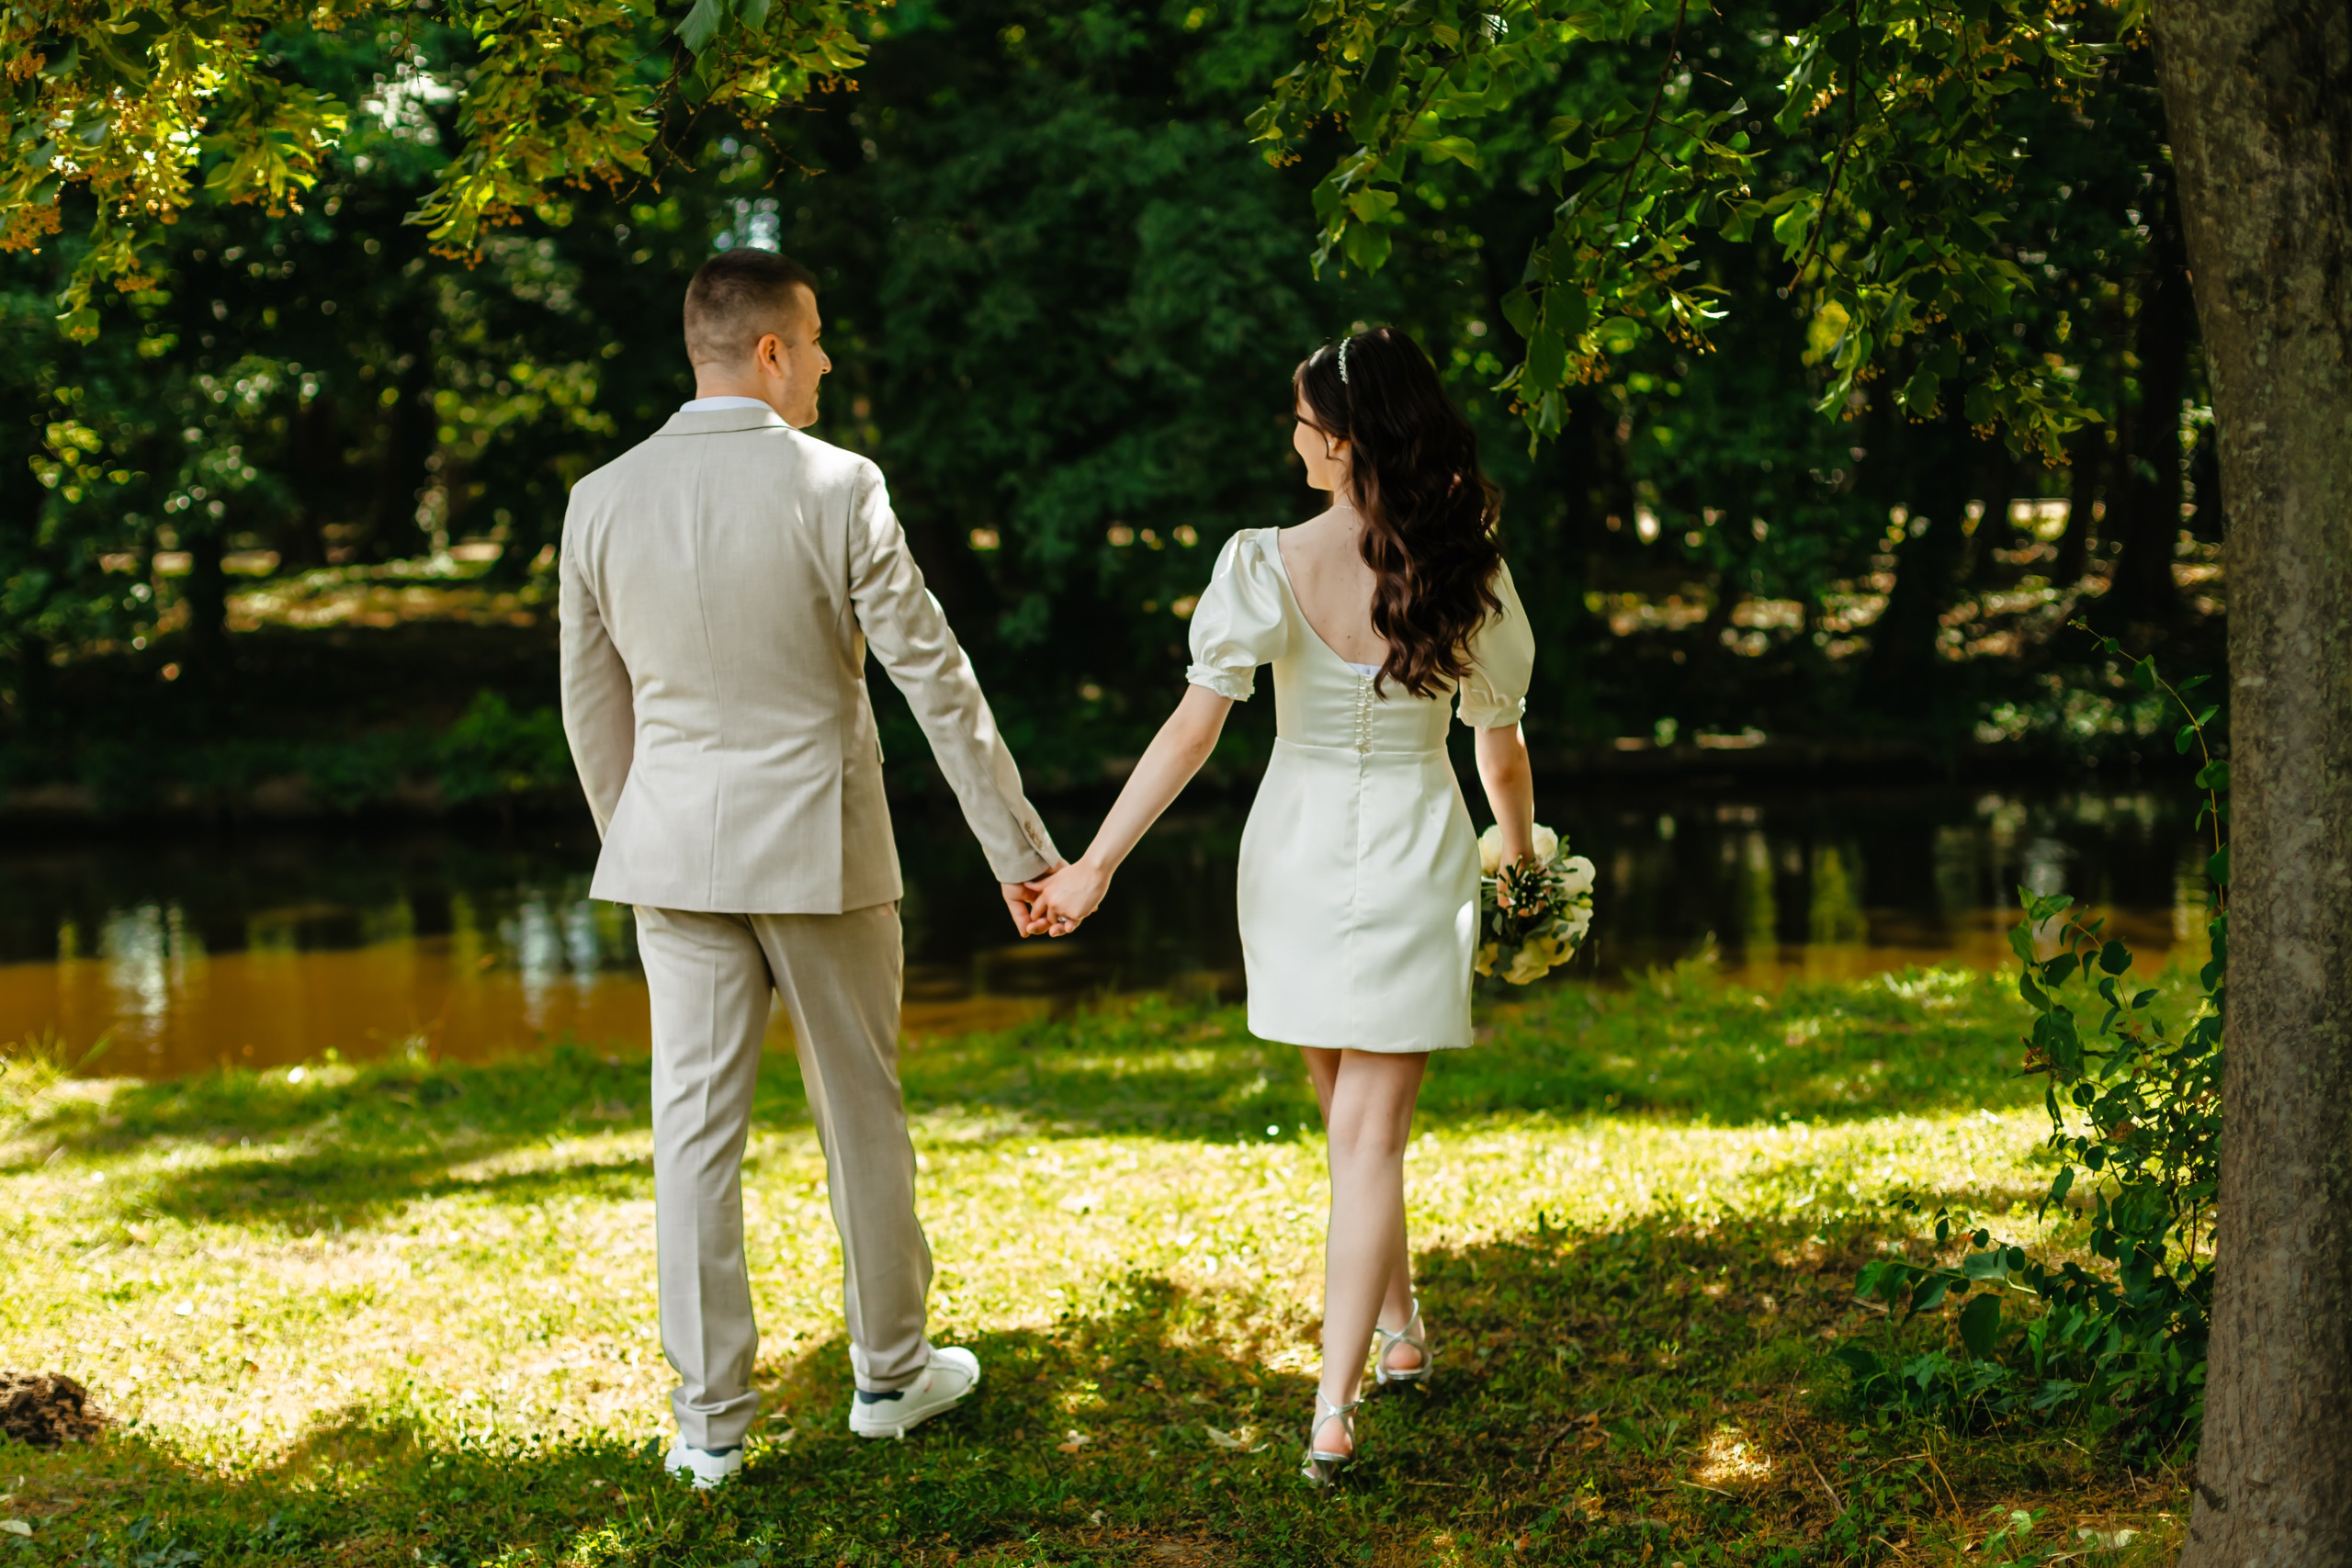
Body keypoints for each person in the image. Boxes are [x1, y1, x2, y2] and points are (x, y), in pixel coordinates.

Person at [558, 247, 1062, 1489]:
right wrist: (1020, 849)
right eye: (819, 338)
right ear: (770, 349)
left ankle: (708, 1424)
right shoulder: (839, 484)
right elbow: (933, 675)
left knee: (692, 1132)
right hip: (821, 850)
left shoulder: (600, 496)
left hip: (670, 851)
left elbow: (591, 703)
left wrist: (644, 830)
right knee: (860, 1115)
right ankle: (891, 1371)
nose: (830, 358)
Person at [1029, 325, 1537, 1484]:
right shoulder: (1470, 568)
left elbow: (1194, 727)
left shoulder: (1263, 561)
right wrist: (1516, 859)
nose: (1292, 437)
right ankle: (1336, 1402)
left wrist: (1096, 864)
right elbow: (1496, 751)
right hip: (1412, 849)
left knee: (1354, 1138)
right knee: (1366, 1142)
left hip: (1296, 852)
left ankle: (1386, 1347)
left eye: (1304, 420)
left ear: (1346, 441)